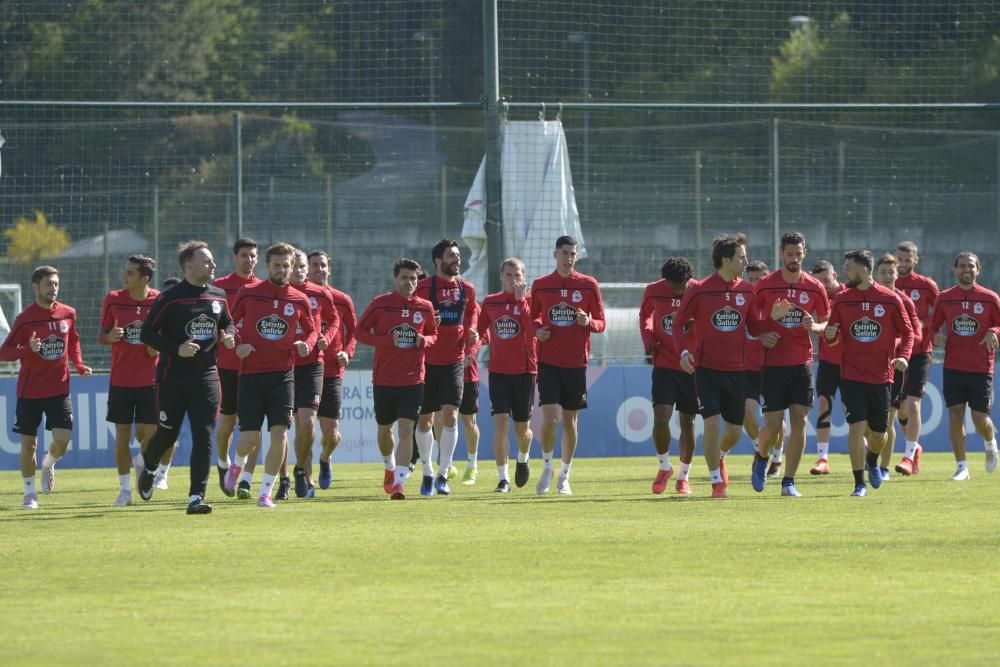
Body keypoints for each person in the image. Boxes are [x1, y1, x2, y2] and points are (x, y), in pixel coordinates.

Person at [137, 241, 234, 514]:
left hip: (206, 376)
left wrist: (229, 336)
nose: (213, 265)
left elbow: (227, 321)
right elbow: (147, 334)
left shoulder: (218, 296)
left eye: (212, 260)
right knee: (167, 435)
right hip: (172, 377)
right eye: (206, 261)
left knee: (204, 436)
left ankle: (195, 497)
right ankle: (150, 466)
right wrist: (176, 349)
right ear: (189, 265)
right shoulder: (170, 298)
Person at [222, 243, 317, 508]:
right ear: (267, 266)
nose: (282, 269)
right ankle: (236, 465)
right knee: (248, 439)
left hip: (283, 377)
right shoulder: (249, 293)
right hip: (251, 375)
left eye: (286, 265)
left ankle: (265, 492)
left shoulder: (298, 299)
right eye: (277, 265)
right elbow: (229, 323)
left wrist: (307, 343)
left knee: (280, 434)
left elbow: (312, 329)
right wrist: (236, 341)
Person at [672, 234, 767, 499]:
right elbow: (678, 324)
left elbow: (755, 326)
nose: (746, 261)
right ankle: (716, 482)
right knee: (711, 424)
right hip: (707, 370)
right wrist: (683, 352)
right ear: (726, 260)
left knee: (735, 431)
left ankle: (720, 458)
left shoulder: (748, 290)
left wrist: (773, 319)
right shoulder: (700, 289)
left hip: (738, 370)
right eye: (741, 257)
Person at [0, 266, 92, 510]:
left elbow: (73, 341)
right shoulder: (25, 319)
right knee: (28, 444)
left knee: (62, 441)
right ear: (35, 287)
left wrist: (79, 364)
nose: (53, 288)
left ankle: (49, 463)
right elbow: (4, 352)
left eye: (56, 284)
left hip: (59, 389)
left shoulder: (68, 314)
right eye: (49, 284)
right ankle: (29, 494)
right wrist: (26, 350)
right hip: (29, 392)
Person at [824, 250, 913, 497]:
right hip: (851, 375)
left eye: (849, 267)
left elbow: (908, 332)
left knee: (878, 434)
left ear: (863, 270)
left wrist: (904, 356)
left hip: (882, 377)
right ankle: (858, 484)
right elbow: (833, 331)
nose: (845, 272)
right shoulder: (842, 299)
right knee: (856, 427)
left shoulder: (890, 299)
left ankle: (872, 460)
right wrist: (830, 335)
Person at [751, 231, 830, 497]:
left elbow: (828, 323)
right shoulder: (764, 285)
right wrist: (767, 327)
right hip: (772, 365)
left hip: (802, 363)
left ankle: (789, 481)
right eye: (789, 254)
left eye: (798, 254)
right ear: (781, 254)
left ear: (804, 253)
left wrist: (815, 325)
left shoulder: (814, 287)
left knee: (800, 420)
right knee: (773, 427)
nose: (794, 259)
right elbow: (750, 324)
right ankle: (762, 458)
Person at [355, 258, 438, 499]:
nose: (409, 282)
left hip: (413, 380)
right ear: (395, 279)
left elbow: (433, 333)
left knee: (406, 429)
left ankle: (399, 483)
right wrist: (383, 340)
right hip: (384, 380)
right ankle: (389, 467)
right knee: (384, 431)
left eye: (413, 278)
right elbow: (359, 332)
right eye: (404, 278)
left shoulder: (425, 307)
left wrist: (426, 341)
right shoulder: (380, 304)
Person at [530, 235, 606, 496]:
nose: (569, 258)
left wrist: (589, 322)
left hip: (576, 364)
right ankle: (548, 467)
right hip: (548, 362)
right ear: (555, 255)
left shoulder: (588, 285)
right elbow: (532, 318)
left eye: (573, 254)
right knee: (550, 419)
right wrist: (538, 330)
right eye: (565, 253)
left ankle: (565, 475)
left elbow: (601, 323)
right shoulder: (541, 285)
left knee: (570, 421)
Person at [927, 251, 1000, 480]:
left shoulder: (990, 298)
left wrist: (993, 331)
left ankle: (990, 442)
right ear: (955, 269)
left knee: (980, 420)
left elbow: (999, 325)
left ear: (978, 269)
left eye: (970, 266)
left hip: (981, 367)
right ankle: (962, 467)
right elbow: (933, 326)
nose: (966, 269)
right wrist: (934, 337)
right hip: (953, 366)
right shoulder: (945, 298)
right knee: (955, 414)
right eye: (962, 266)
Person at [414, 240, 477, 496]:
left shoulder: (467, 289)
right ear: (438, 261)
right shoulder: (423, 287)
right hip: (426, 363)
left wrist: (472, 332)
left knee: (451, 416)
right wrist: (426, 324)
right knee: (425, 420)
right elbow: (411, 315)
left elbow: (473, 314)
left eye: (458, 255)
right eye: (451, 256)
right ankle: (427, 472)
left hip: (454, 362)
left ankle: (443, 474)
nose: (457, 260)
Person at [98, 255, 162, 506]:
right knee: (122, 434)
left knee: (152, 434)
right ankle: (125, 490)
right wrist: (111, 336)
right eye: (125, 271)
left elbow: (167, 335)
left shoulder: (159, 301)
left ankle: (141, 461)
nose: (124, 277)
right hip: (121, 380)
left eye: (130, 273)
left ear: (145, 278)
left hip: (151, 380)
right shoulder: (113, 299)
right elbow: (101, 336)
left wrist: (158, 349)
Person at [639, 256, 699, 496]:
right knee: (661, 416)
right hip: (663, 363)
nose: (677, 292)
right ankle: (664, 466)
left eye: (680, 287)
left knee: (688, 421)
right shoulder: (653, 290)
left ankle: (684, 476)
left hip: (691, 366)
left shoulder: (698, 290)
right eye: (673, 287)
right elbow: (645, 316)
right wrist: (648, 338)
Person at [477, 257, 537, 492]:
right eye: (509, 275)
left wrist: (522, 302)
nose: (513, 279)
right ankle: (503, 479)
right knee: (500, 424)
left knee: (522, 431)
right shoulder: (491, 302)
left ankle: (523, 457)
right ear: (501, 276)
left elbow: (533, 331)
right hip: (498, 372)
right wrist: (473, 344)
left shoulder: (531, 301)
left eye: (518, 275)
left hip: (524, 372)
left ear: (524, 278)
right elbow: (481, 332)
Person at [213, 238, 261, 499]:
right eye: (244, 255)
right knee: (228, 425)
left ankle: (247, 480)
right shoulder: (220, 288)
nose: (249, 260)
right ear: (235, 257)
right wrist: (222, 337)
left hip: (255, 369)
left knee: (252, 426)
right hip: (227, 367)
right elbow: (210, 323)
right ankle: (222, 462)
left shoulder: (263, 288)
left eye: (253, 255)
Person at [289, 249, 339, 497]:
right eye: (295, 266)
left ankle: (306, 469)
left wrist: (326, 338)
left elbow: (335, 321)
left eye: (301, 267)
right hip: (284, 365)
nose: (298, 271)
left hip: (313, 364)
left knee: (309, 422)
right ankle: (303, 479)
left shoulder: (319, 294)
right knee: (296, 426)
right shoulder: (278, 294)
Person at [307, 250, 357, 489]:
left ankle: (325, 459)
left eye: (323, 265)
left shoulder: (342, 299)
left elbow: (354, 331)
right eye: (314, 265)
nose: (319, 269)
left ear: (330, 269)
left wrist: (347, 352)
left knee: (332, 434)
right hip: (304, 370)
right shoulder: (299, 296)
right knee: (305, 429)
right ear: (306, 269)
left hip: (332, 372)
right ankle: (304, 480)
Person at [893, 241, 940, 476]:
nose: (902, 263)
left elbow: (941, 313)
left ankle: (909, 456)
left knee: (912, 404)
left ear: (915, 260)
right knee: (900, 409)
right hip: (895, 354)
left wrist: (926, 326)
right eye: (899, 259)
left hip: (920, 352)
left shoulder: (926, 285)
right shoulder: (887, 285)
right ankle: (916, 448)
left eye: (907, 259)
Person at [874, 254, 920, 481]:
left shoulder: (905, 301)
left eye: (891, 272)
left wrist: (894, 345)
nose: (887, 276)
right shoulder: (868, 299)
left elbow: (915, 334)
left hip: (893, 368)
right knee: (868, 424)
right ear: (876, 274)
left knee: (887, 420)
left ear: (897, 274)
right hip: (866, 367)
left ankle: (883, 468)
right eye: (883, 271)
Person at [742, 260, 784, 479]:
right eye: (751, 279)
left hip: (772, 367)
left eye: (760, 279)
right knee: (746, 413)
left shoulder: (778, 306)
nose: (755, 284)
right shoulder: (742, 303)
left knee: (776, 422)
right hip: (747, 369)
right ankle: (761, 450)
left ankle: (777, 458)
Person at [809, 260, 845, 474]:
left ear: (836, 274)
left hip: (851, 362)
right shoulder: (816, 296)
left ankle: (868, 449)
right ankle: (823, 458)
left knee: (853, 410)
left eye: (827, 279)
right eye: (819, 281)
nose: (823, 285)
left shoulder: (849, 294)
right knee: (823, 405)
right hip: (828, 361)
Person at [458, 299, 483, 485]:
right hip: (442, 371)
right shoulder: (435, 302)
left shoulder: (474, 307)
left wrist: (472, 352)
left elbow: (485, 335)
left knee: (469, 421)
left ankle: (472, 465)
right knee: (441, 418)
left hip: (468, 375)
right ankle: (446, 464)